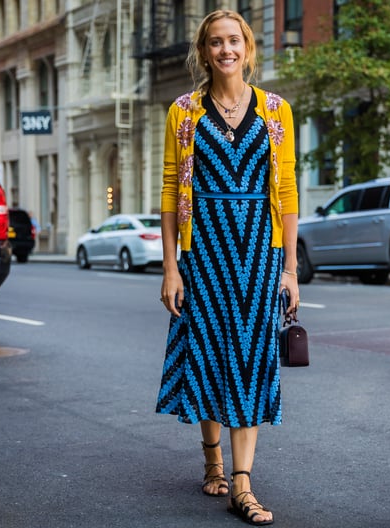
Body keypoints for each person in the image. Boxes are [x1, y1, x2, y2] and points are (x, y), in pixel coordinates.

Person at [155, 9, 299, 526]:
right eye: (215, 43)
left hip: (259, 253)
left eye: (233, 40)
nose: (225, 50)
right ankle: (212, 459)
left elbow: (286, 193)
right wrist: (171, 268)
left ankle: (242, 481)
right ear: (204, 51)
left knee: (251, 358)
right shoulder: (184, 112)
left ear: (248, 46)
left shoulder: (275, 111)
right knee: (211, 353)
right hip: (204, 252)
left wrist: (290, 269)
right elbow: (172, 194)